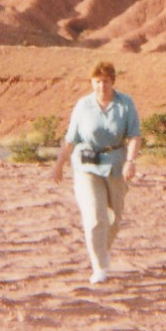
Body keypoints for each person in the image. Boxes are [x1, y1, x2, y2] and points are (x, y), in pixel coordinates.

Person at [52, 61, 141, 284]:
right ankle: (99, 266)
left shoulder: (125, 104)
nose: (102, 86)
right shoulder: (83, 105)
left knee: (115, 217)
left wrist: (131, 161)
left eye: (106, 81)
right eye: (97, 81)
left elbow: (135, 136)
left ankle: (102, 250)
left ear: (113, 82)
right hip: (86, 164)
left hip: (115, 163)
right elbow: (71, 138)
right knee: (95, 215)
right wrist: (59, 164)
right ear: (91, 83)